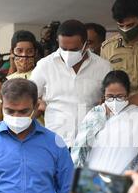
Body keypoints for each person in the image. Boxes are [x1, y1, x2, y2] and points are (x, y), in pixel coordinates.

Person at [30, 20, 112, 148]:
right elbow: (28, 97)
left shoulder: (103, 68)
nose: (68, 53)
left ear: (86, 44)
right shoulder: (44, 66)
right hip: (56, 143)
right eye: (63, 48)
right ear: (58, 41)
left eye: (74, 49)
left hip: (92, 144)